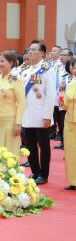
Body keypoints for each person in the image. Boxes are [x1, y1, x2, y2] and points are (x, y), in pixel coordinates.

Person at [22, 40, 56, 185]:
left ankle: (44, 174)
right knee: (30, 146)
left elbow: (50, 95)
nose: (30, 52)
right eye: (29, 49)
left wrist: (48, 116)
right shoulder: (25, 71)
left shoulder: (47, 70)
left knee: (44, 147)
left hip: (41, 116)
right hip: (27, 116)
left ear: (42, 53)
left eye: (34, 50)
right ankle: (35, 171)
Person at [0, 50, 25, 156]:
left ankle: (10, 172)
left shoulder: (16, 80)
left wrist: (18, 123)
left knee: (9, 150)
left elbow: (21, 102)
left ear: (11, 63)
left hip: (10, 121)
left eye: (2, 61)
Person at [58, 58, 76, 190]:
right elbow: (66, 105)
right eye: (73, 67)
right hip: (70, 122)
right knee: (70, 152)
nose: (74, 69)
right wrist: (61, 103)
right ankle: (73, 180)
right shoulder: (70, 84)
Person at [53, 48, 73, 150]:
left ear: (70, 56)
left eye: (64, 55)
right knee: (60, 121)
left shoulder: (72, 67)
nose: (61, 57)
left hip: (70, 100)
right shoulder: (57, 67)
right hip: (59, 97)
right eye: (60, 55)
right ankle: (63, 140)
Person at [49, 46, 63, 140]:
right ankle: (52, 131)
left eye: (54, 51)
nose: (52, 52)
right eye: (51, 50)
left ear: (59, 53)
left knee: (59, 116)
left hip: (58, 93)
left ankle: (60, 133)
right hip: (50, 93)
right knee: (51, 114)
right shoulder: (48, 64)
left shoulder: (61, 65)